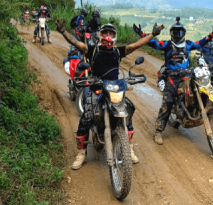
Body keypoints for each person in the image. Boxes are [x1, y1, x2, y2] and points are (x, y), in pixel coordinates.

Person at [56, 19, 164, 169]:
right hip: (96, 87)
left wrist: (153, 34)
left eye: (110, 33)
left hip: (114, 88)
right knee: (87, 115)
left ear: (114, 36)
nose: (107, 35)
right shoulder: (93, 50)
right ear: (100, 35)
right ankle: (81, 152)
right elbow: (76, 43)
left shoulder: (118, 51)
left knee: (128, 112)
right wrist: (63, 31)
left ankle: (130, 149)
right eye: (105, 32)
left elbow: (137, 45)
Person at [133, 17, 213, 145]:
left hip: (187, 74)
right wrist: (141, 34)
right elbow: (153, 43)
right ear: (171, 33)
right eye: (175, 32)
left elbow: (201, 42)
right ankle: (158, 131)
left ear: (184, 33)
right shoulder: (167, 45)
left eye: (180, 32)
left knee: (202, 86)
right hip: (172, 77)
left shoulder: (189, 44)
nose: (178, 35)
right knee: (167, 102)